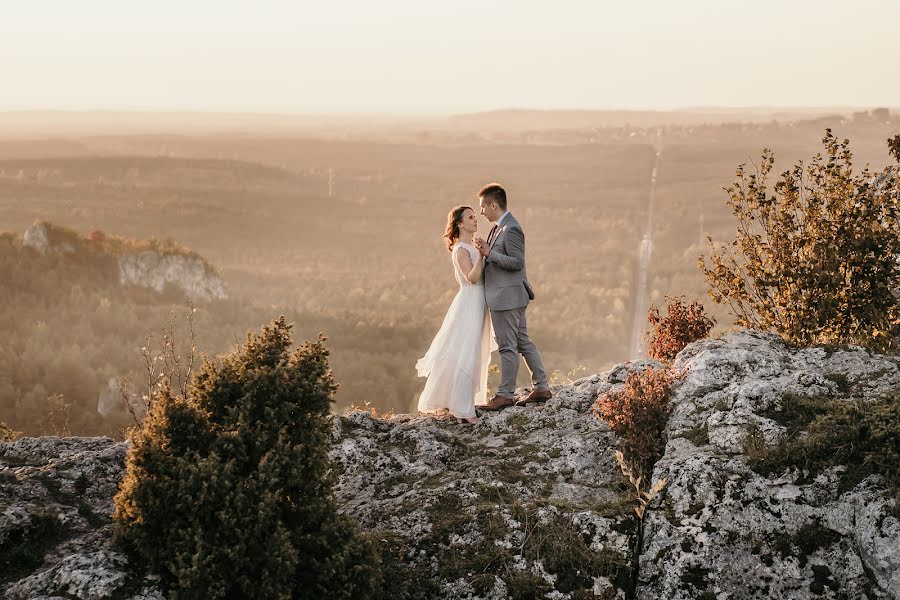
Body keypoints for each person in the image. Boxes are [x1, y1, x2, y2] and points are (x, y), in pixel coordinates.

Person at [473, 183, 551, 411]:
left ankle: (505, 394)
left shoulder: (511, 229)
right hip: (509, 296)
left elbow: (517, 263)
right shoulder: (500, 226)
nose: (481, 212)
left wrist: (490, 254)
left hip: (507, 298)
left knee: (508, 347)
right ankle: (542, 387)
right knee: (522, 342)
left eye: (483, 207)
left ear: (494, 204)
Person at [416, 206, 496, 424]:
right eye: (470, 217)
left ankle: (459, 401)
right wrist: (481, 255)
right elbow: (471, 277)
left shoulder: (469, 247)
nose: (475, 220)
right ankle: (463, 409)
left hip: (479, 302)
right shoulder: (461, 249)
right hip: (469, 302)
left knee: (473, 351)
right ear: (460, 224)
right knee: (467, 351)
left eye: (474, 217)